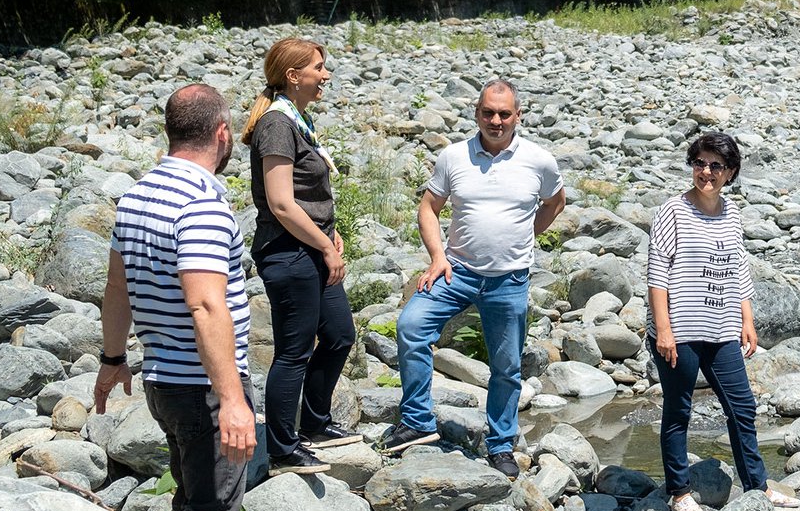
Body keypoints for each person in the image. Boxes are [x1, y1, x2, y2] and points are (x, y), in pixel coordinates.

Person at [91, 85, 264, 511]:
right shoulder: (202, 204)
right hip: (204, 386)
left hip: (163, 378)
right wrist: (235, 400)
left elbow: (117, 288)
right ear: (221, 134)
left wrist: (114, 357)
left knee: (194, 501)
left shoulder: (137, 196)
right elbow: (207, 306)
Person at [381, 80, 564, 478]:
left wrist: (526, 235)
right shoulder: (454, 156)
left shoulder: (539, 160)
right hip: (457, 271)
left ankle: (500, 445)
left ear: (518, 116)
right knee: (411, 325)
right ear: (476, 113)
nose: (495, 121)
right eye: (488, 113)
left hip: (509, 280)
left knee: (506, 366)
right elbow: (428, 207)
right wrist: (436, 256)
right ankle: (416, 422)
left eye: (504, 114)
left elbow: (555, 202)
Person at [648, 133, 799, 511]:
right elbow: (657, 274)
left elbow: (737, 270)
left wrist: (747, 320)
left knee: (742, 408)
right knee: (679, 410)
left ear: (730, 172)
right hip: (679, 331)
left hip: (722, 328)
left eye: (716, 165)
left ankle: (758, 487)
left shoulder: (732, 214)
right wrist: (664, 331)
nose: (706, 172)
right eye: (700, 162)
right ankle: (679, 492)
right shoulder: (673, 211)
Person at [241, 38, 358, 478]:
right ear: (294, 76)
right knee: (293, 352)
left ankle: (314, 423)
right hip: (288, 252)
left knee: (340, 334)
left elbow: (308, 197)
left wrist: (331, 232)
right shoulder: (276, 124)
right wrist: (325, 246)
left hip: (313, 246)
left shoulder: (297, 118)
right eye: (319, 68)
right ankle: (284, 449)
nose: (326, 75)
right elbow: (282, 204)